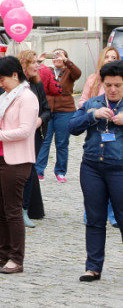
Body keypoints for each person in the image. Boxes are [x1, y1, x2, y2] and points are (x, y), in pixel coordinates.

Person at [0, 56, 39, 275]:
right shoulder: (5, 96)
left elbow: (24, 131)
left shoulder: (27, 97)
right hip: (0, 156)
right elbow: (0, 122)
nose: (0, 83)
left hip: (18, 159)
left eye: (2, 79)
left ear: (15, 75)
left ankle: (16, 258)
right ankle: (2, 254)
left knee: (12, 210)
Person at [69, 60, 123, 282]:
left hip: (120, 169)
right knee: (94, 219)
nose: (113, 89)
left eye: (118, 85)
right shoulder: (93, 103)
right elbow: (72, 127)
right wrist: (93, 115)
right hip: (92, 167)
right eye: (109, 85)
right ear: (102, 83)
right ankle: (93, 267)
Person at [36, 48, 81, 182]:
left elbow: (78, 73)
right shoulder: (46, 70)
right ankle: (39, 171)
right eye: (55, 56)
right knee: (44, 141)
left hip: (65, 111)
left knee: (62, 143)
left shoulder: (69, 71)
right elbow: (31, 75)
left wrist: (66, 61)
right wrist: (38, 61)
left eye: (60, 56)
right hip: (47, 111)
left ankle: (60, 172)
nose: (57, 58)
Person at [17, 50, 50, 225]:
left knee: (29, 170)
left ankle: (26, 209)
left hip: (35, 134)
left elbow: (47, 109)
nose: (38, 65)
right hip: (17, 134)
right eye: (34, 62)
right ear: (24, 65)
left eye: (38, 62)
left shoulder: (37, 85)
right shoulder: (14, 86)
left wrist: (40, 120)